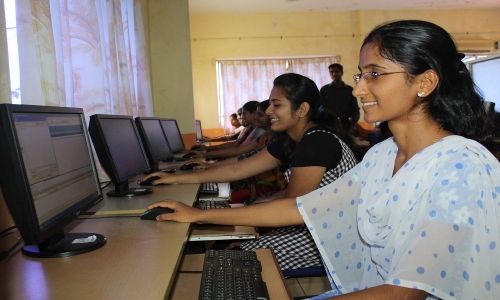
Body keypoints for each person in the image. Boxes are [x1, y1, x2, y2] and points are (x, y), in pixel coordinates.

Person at [148, 20, 500, 299]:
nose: (359, 89)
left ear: (424, 82)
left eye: (375, 74)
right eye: (362, 74)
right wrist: (196, 215)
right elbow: (301, 208)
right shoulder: (382, 156)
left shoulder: (461, 166)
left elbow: (406, 291)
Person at [144, 73, 358, 271]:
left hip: (330, 239)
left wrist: (199, 215)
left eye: (276, 105)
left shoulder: (317, 141)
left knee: (229, 260)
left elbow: (292, 209)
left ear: (301, 109)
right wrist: (175, 178)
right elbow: (238, 168)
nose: (267, 111)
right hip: (312, 226)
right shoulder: (291, 140)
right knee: (227, 246)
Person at [320, 63, 360, 130]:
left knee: (346, 140)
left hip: (346, 125)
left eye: (337, 71)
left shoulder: (349, 90)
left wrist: (353, 123)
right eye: (331, 72)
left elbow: (355, 109)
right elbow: (321, 108)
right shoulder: (324, 89)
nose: (334, 74)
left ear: (342, 73)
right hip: (329, 124)